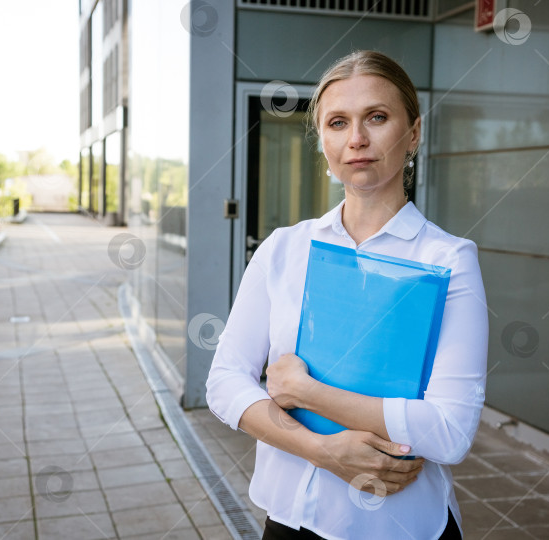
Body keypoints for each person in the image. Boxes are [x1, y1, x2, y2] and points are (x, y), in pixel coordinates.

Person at [206, 50, 488, 540]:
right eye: (337, 122)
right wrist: (322, 451)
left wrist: (307, 392)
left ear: (414, 133)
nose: (356, 139)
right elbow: (225, 383)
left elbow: (449, 430)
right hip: (289, 520)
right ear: (323, 142)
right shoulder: (284, 249)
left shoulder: (448, 259)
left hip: (400, 526)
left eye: (376, 117)